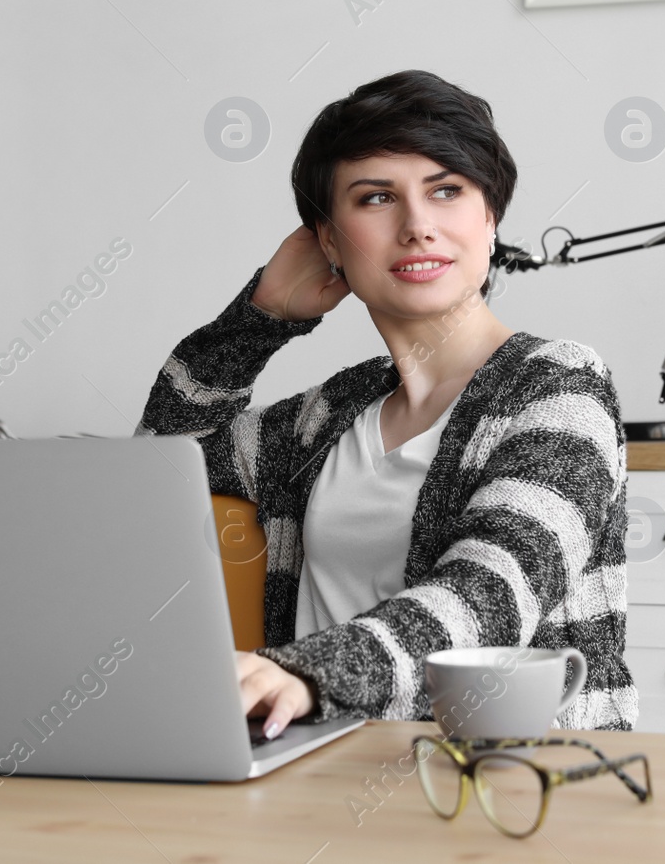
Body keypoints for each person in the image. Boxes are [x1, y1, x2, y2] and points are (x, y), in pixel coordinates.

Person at [135, 69, 637, 739]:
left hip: (511, 789)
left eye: (447, 191)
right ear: (330, 243)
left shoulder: (558, 386)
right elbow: (159, 469)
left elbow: (490, 595)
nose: (418, 225)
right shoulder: (328, 417)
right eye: (376, 198)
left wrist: (309, 673)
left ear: (489, 218)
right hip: (313, 780)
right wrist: (258, 319)